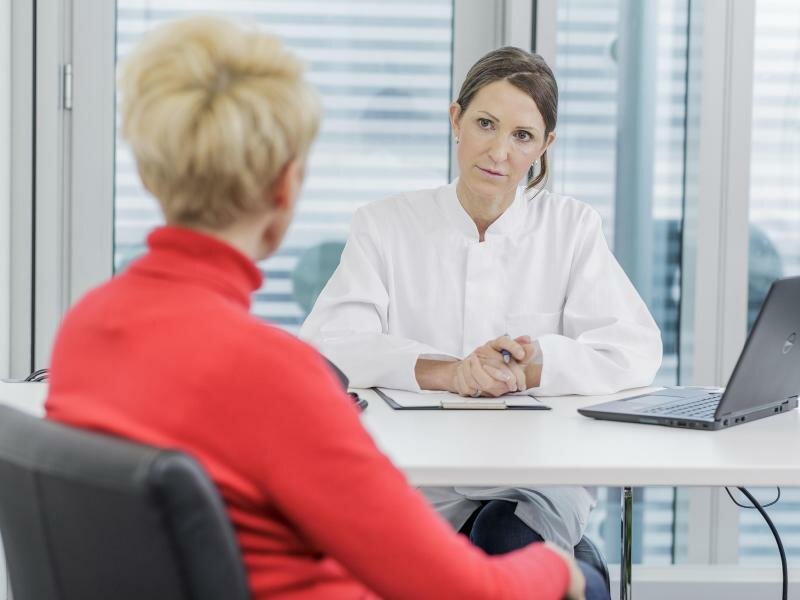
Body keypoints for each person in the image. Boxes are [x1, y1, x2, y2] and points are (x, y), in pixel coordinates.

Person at [45, 18, 589, 600]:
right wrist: (561, 570)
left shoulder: (85, 329)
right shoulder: (274, 375)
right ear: (286, 189)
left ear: (153, 172)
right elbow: (469, 588)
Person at [301, 46, 663, 595]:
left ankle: (567, 566)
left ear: (545, 147)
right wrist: (449, 372)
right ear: (455, 119)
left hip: (536, 482)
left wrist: (542, 362)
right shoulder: (385, 225)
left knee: (503, 542)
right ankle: (578, 571)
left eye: (522, 135)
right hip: (420, 481)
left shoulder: (571, 228)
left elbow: (635, 350)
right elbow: (329, 345)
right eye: (485, 124)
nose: (498, 151)